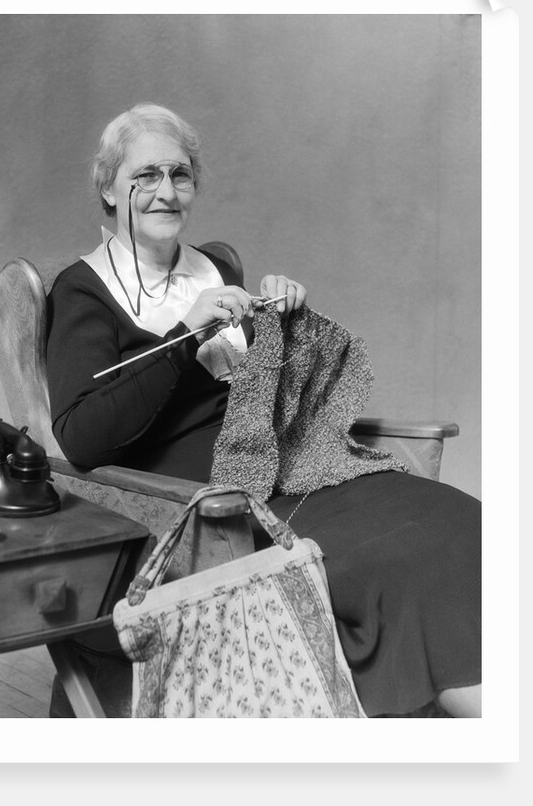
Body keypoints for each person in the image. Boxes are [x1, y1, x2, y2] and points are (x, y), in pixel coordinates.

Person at [46, 103, 481, 718]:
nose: (165, 192)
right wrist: (181, 338)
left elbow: (262, 389)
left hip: (295, 468)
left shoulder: (215, 268)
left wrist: (286, 318)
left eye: (179, 174)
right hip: (218, 505)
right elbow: (84, 437)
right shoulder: (82, 290)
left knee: (461, 523)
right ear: (109, 188)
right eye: (144, 176)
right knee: (396, 566)